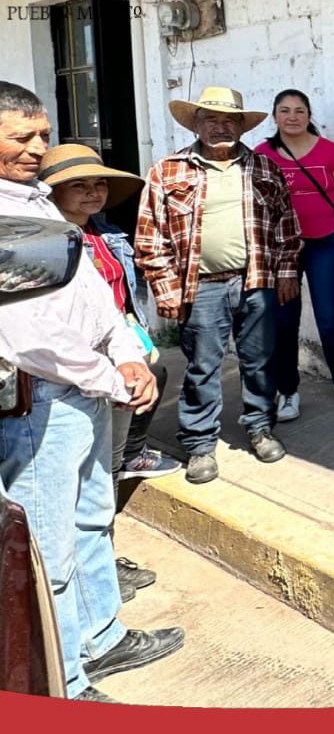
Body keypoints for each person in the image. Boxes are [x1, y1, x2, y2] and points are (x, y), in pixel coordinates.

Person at [0, 81, 184, 702]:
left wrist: (129, 355)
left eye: (42, 135)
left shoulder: (37, 201)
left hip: (84, 390)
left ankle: (102, 639)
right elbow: (29, 333)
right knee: (47, 555)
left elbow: (92, 295)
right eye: (20, 137)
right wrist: (114, 377)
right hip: (39, 405)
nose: (36, 148)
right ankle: (67, 685)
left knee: (90, 519)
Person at [134, 85, 301, 485]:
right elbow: (149, 236)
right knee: (203, 366)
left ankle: (260, 427)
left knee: (259, 361)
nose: (221, 127)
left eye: (230, 120)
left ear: (242, 127)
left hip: (255, 280)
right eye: (212, 119)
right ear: (197, 123)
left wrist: (287, 272)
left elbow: (285, 224)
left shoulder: (263, 168)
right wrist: (165, 288)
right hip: (201, 287)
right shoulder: (167, 170)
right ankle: (200, 444)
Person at [40, 144, 183, 604]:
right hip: (78, 374)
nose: (92, 193)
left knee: (109, 468)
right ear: (53, 192)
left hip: (120, 363)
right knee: (87, 478)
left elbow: (119, 300)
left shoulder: (105, 235)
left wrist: (136, 339)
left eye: (98, 183)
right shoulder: (43, 242)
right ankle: (91, 579)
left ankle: (102, 558)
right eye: (78, 185)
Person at [255, 90, 334, 420]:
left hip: (326, 244)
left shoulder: (331, 152)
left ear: (309, 115)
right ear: (274, 116)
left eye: (300, 110)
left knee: (331, 318)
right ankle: (288, 392)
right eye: (285, 110)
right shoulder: (262, 155)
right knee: (283, 321)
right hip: (281, 250)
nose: (292, 116)